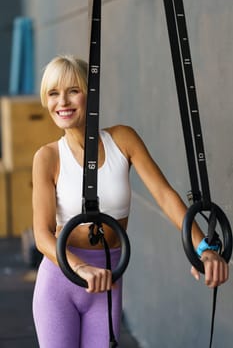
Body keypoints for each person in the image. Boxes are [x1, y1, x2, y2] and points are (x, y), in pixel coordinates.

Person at [32, 55, 228, 348]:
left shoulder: (122, 140)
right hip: (60, 281)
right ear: (47, 102)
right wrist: (80, 268)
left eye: (73, 90)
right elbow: (42, 235)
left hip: (109, 280)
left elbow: (164, 195)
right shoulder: (47, 157)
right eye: (53, 93)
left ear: (90, 94)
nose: (63, 101)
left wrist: (204, 249)